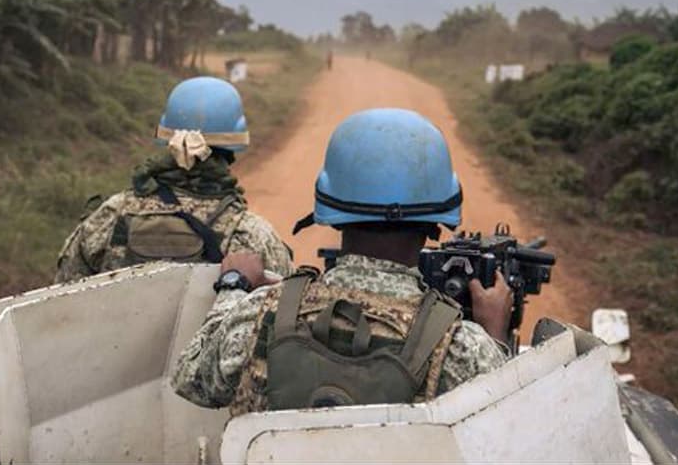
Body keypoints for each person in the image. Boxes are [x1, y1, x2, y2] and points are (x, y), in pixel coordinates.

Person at [172, 108, 512, 415]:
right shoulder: (462, 348)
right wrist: (494, 337)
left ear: (331, 214)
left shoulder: (260, 314)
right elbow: (506, 431)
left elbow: (191, 379)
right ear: (437, 220)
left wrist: (233, 288)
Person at [55, 76, 293, 282]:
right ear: (230, 151)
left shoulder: (107, 217)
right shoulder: (252, 235)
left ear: (167, 141)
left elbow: (63, 296)